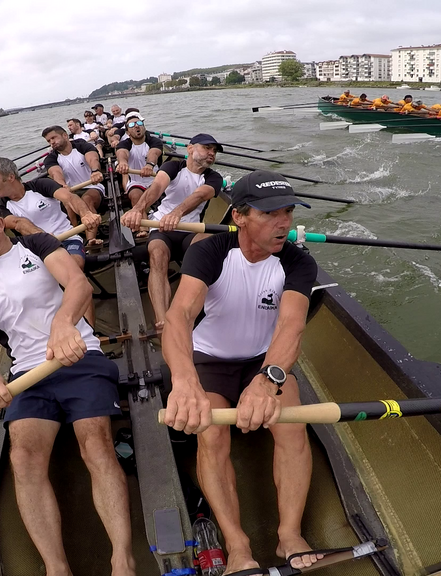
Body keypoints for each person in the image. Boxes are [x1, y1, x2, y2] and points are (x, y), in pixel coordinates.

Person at [0, 195, 136, 576]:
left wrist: (64, 324)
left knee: (95, 443)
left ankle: (122, 559)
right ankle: (56, 567)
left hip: (80, 356)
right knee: (23, 459)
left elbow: (77, 283)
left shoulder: (36, 244)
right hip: (28, 373)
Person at [160, 170, 322, 574]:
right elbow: (179, 316)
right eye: (270, 213)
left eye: (288, 211)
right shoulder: (211, 252)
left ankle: (289, 534)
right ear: (239, 217)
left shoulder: (298, 262)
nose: (283, 222)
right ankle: (237, 545)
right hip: (210, 360)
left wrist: (268, 380)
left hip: (262, 361)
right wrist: (184, 381)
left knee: (292, 429)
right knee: (211, 436)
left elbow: (291, 327)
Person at [120, 134, 224, 330]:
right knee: (157, 255)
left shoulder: (213, 178)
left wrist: (177, 213)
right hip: (161, 227)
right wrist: (137, 209)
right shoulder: (174, 166)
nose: (212, 153)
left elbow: (199, 195)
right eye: (207, 148)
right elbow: (157, 186)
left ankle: (197, 310)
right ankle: (162, 320)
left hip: (190, 230)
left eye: (214, 151)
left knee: (205, 246)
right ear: (190, 149)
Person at [0, 156, 100, 326]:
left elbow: (69, 198)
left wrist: (86, 214)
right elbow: (18, 223)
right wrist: (43, 237)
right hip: (35, 251)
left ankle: (89, 333)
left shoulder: (41, 185)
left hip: (67, 238)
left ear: (10, 176)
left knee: (74, 266)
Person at [42, 125, 105, 248]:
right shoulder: (51, 158)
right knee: (67, 203)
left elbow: (93, 159)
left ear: (65, 135)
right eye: (48, 141)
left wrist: (95, 171)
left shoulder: (82, 145)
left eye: (53, 138)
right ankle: (75, 235)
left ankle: (91, 239)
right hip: (70, 191)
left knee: (86, 200)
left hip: (92, 186)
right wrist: (61, 186)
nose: (52, 142)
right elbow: (56, 173)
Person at [115, 112, 164, 207]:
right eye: (132, 125)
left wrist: (149, 165)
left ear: (144, 128)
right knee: (136, 196)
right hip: (135, 182)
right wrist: (123, 163)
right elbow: (122, 153)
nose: (137, 126)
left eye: (139, 123)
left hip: (155, 179)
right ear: (128, 133)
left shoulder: (154, 141)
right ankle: (141, 218)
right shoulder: (124, 144)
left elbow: (153, 153)